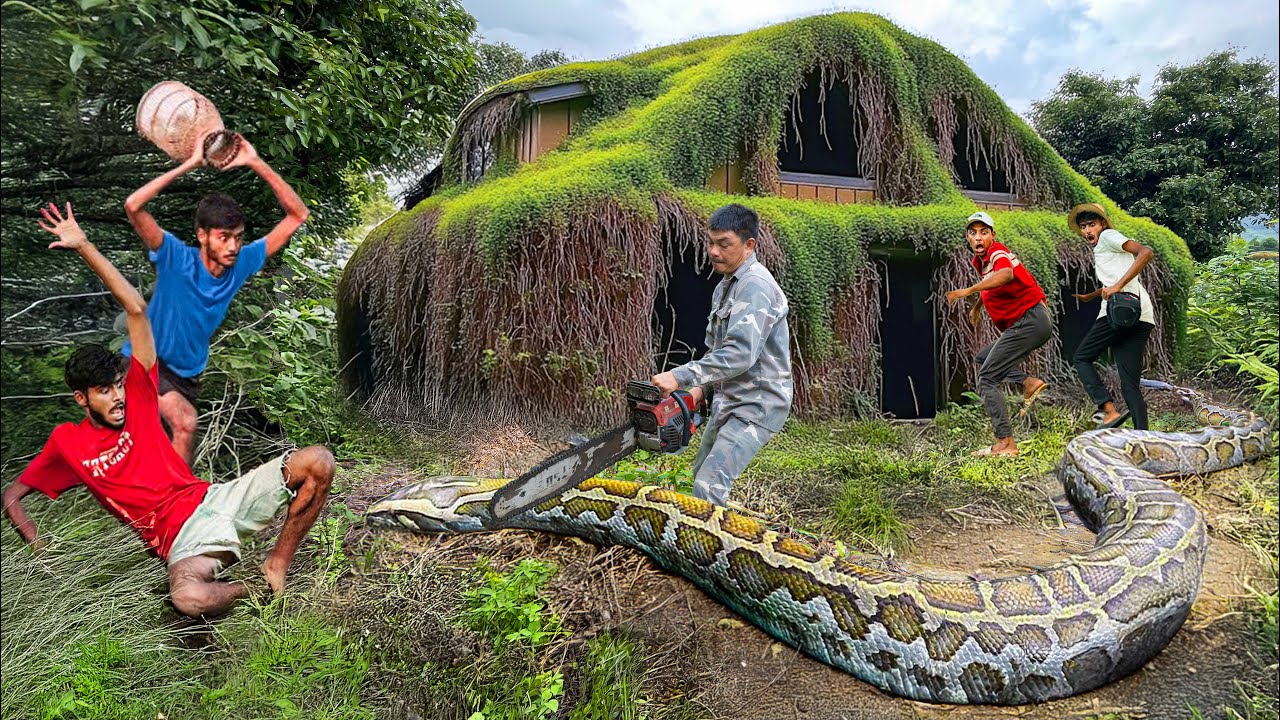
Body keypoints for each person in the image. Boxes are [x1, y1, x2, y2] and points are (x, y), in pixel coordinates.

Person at [3, 203, 332, 618]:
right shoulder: (67, 444)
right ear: (82, 399)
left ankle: (277, 566)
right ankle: (255, 591)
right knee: (188, 598)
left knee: (318, 461)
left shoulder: (139, 392)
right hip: (181, 542)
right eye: (104, 392)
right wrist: (38, 546)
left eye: (117, 385)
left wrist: (84, 245)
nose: (118, 397)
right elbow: (12, 495)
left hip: (214, 499)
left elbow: (137, 310)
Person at [123, 134, 310, 464]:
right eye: (224, 238)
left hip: (187, 376)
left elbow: (298, 215)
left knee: (159, 449)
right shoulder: (175, 257)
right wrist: (189, 164)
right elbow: (133, 206)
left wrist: (254, 161)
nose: (233, 246)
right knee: (185, 424)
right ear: (202, 236)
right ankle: (180, 497)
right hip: (145, 360)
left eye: (238, 237)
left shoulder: (241, 263)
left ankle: (156, 493)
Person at [651, 203, 792, 506]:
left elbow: (740, 354)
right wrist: (700, 389)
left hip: (756, 404)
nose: (714, 252)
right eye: (711, 243)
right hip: (730, 398)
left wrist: (681, 376)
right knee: (698, 477)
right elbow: (718, 351)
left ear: (749, 244)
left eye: (724, 244)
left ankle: (711, 537)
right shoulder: (726, 286)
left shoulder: (755, 286)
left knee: (708, 486)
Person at [944, 211, 1051, 457]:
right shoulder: (984, 263)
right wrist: (978, 306)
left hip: (1029, 320)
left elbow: (1006, 275)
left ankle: (1006, 443)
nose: (978, 237)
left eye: (984, 232)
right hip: (1030, 321)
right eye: (973, 233)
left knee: (987, 379)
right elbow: (995, 283)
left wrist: (968, 290)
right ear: (968, 238)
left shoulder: (997, 253)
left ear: (992, 235)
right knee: (983, 358)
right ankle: (1028, 382)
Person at [1067, 203, 1156, 430]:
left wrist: (1117, 286)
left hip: (1118, 312)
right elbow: (1113, 282)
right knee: (1130, 384)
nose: (1087, 230)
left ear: (1103, 224)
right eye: (1083, 227)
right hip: (1140, 315)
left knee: (1082, 358)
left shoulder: (1108, 236)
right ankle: (1143, 436)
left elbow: (1145, 252)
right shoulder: (1105, 247)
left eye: (1092, 224)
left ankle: (1108, 411)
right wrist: (1091, 295)